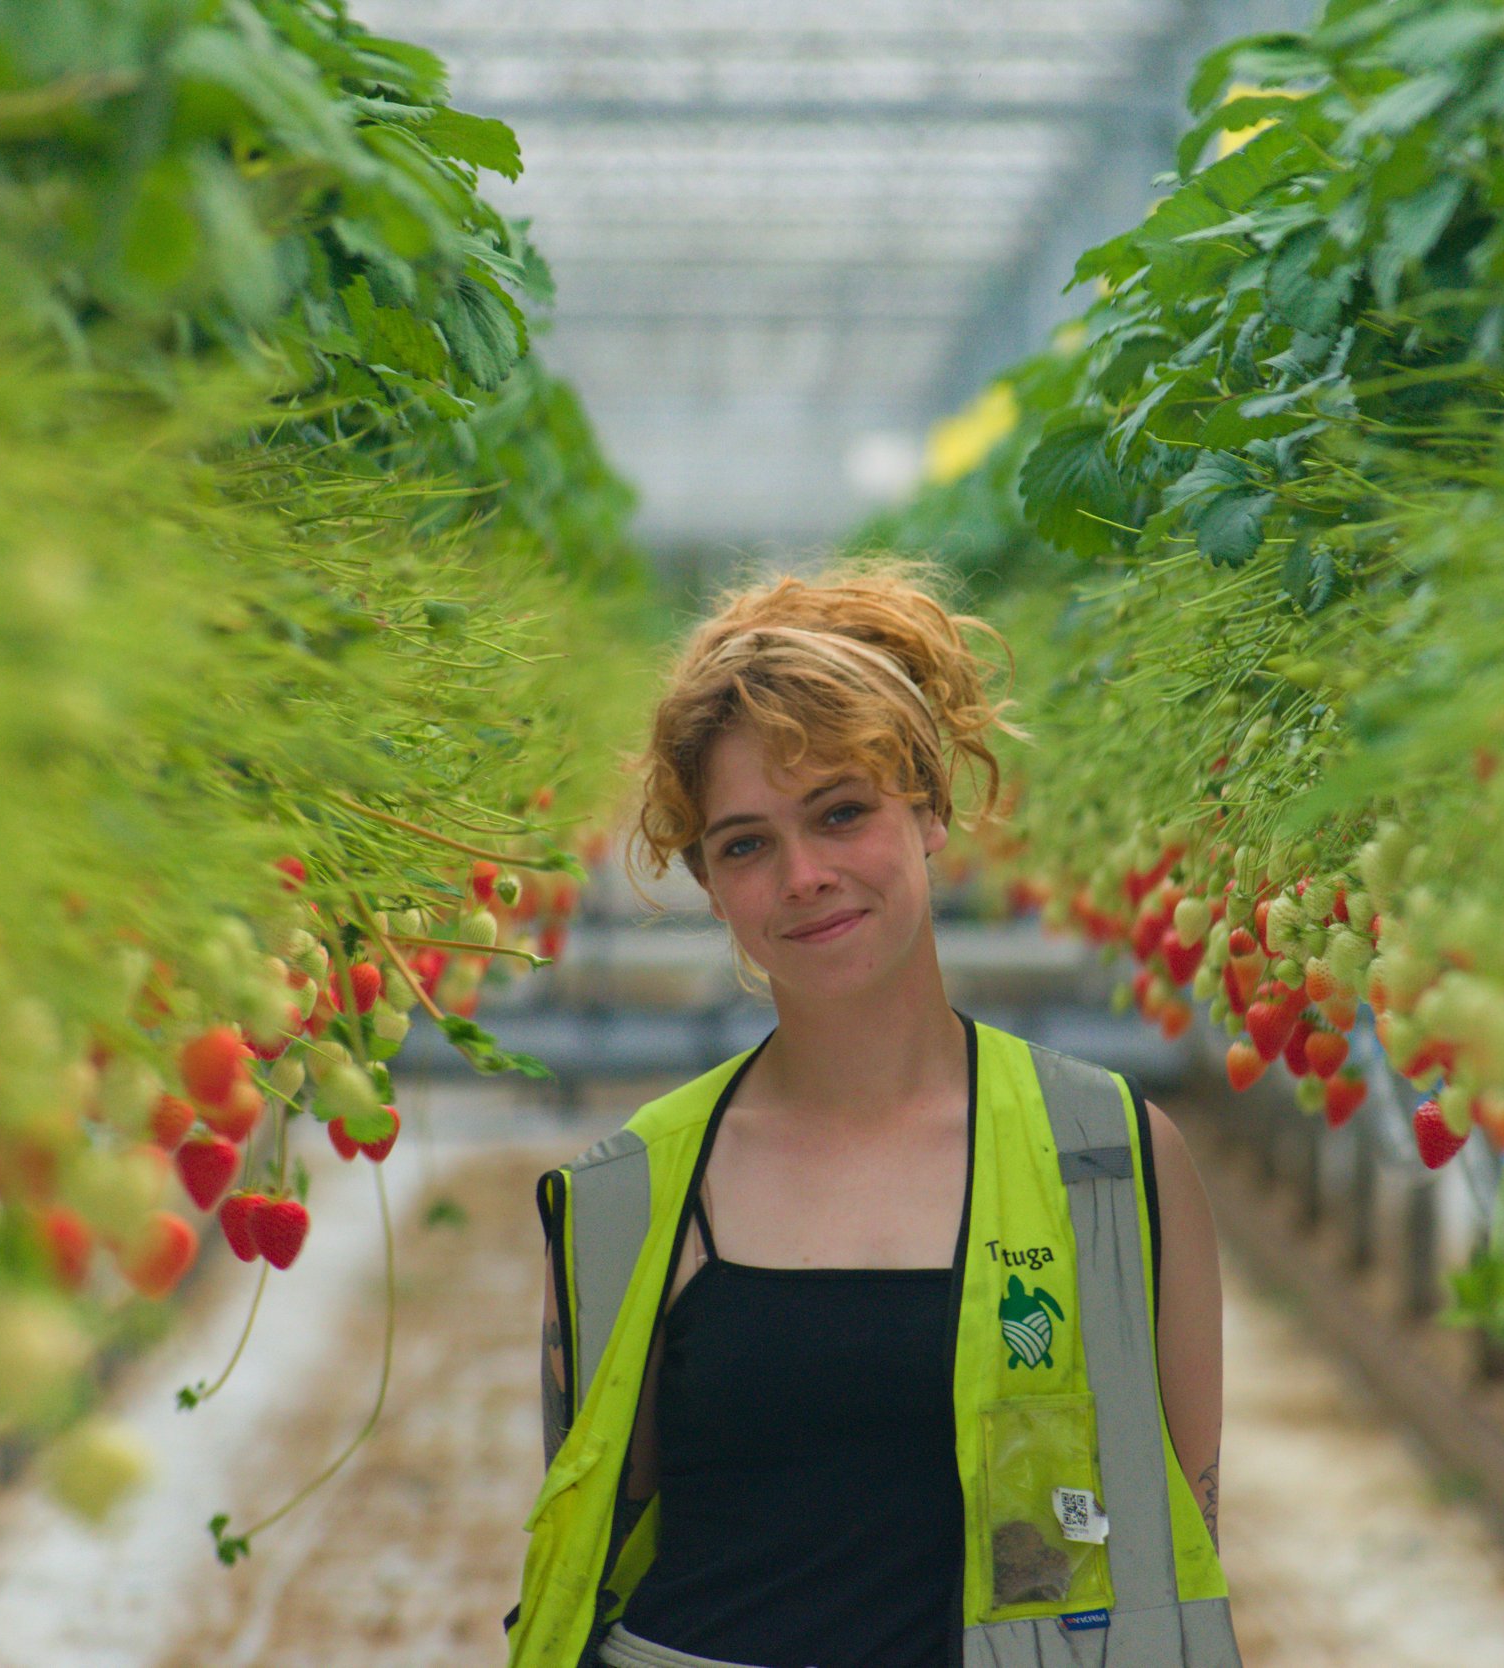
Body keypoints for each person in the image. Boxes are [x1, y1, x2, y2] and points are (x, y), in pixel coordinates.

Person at [508, 565, 1238, 1668]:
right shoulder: (630, 1190)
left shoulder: (1109, 1159)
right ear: (712, 885)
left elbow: (1173, 1544)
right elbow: (598, 1526)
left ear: (930, 808)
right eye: (746, 844)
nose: (803, 875)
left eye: (841, 814)